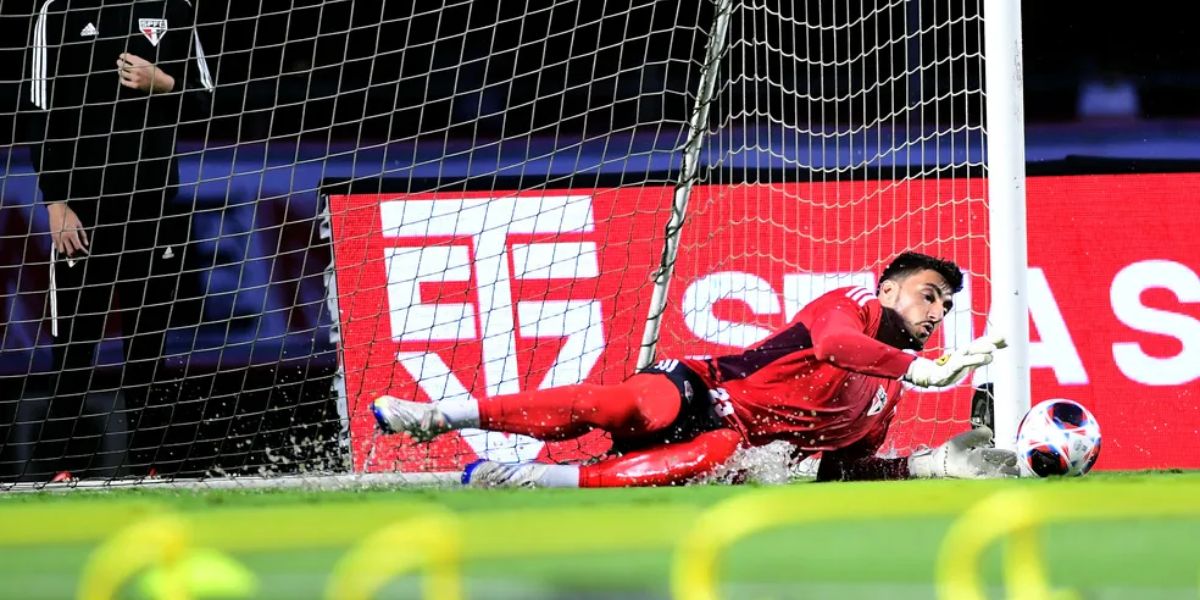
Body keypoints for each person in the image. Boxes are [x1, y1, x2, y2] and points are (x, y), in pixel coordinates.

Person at [372, 252, 1018, 487]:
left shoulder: (883, 396)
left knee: (714, 455)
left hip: (723, 441)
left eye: (947, 305)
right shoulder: (847, 306)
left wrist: (932, 465)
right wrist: (917, 367)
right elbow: (833, 348)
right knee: (630, 407)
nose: (938, 311)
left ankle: (524, 479)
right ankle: (435, 415)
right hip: (695, 387)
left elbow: (842, 470)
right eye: (929, 294)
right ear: (887, 291)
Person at [27, 0, 213, 478]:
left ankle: (154, 470)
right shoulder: (58, 10)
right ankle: (58, 471)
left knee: (150, 345)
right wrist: (55, 201)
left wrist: (164, 82)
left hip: (154, 206)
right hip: (81, 210)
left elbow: (209, 101)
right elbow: (37, 107)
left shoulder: (176, 9)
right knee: (71, 347)